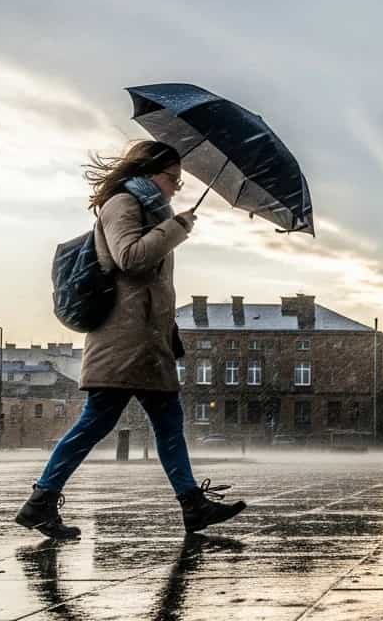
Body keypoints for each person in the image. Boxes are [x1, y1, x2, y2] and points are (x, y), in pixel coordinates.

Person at [15, 140, 246, 539]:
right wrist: (177, 228)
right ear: (148, 172)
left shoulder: (152, 210)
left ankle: (192, 506)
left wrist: (171, 226)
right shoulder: (121, 204)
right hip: (123, 341)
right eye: (171, 178)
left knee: (164, 423)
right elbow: (130, 258)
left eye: (179, 180)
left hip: (147, 340)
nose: (176, 187)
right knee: (97, 423)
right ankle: (41, 500)